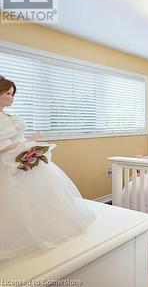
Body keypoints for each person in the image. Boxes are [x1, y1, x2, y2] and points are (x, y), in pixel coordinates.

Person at [0, 76, 95, 261]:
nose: (12, 98)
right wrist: (28, 142)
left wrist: (28, 141)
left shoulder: (8, 116)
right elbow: (3, 145)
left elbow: (16, 139)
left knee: (37, 196)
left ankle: (39, 225)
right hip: (8, 162)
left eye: (13, 94)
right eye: (8, 94)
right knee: (14, 199)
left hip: (19, 154)